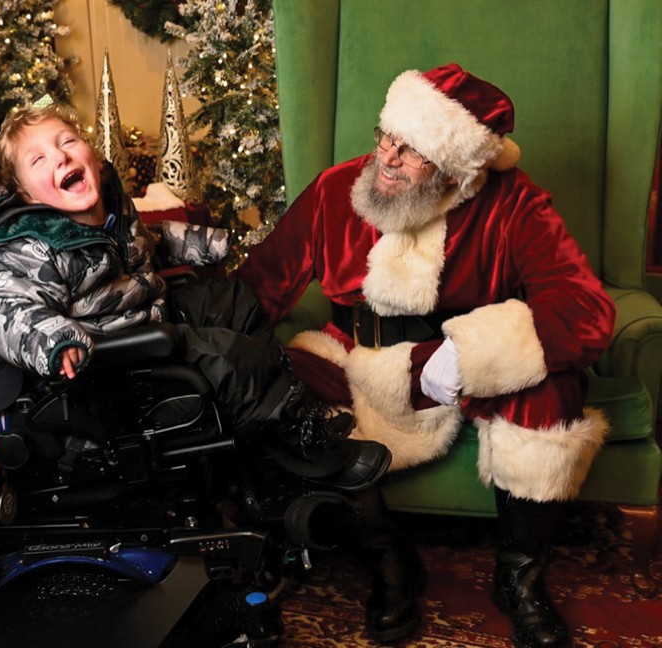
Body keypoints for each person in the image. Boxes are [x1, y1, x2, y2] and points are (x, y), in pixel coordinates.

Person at [235, 63, 615, 648]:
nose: (387, 157)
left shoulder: (516, 204)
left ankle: (519, 578)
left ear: (457, 171)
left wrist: (471, 354)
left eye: (411, 152)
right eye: (388, 136)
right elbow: (258, 286)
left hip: (452, 376)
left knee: (552, 387)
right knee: (276, 390)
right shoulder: (339, 186)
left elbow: (586, 310)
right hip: (353, 357)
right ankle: (388, 559)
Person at [0, 100, 391, 491]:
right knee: (224, 355)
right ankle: (304, 446)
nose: (60, 156)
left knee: (236, 303)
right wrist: (54, 340)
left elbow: (144, 242)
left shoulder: (108, 206)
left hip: (151, 312)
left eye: (68, 142)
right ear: (25, 194)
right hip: (113, 354)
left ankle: (262, 417)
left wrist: (203, 243)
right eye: (39, 159)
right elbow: (8, 308)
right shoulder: (30, 246)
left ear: (91, 153)